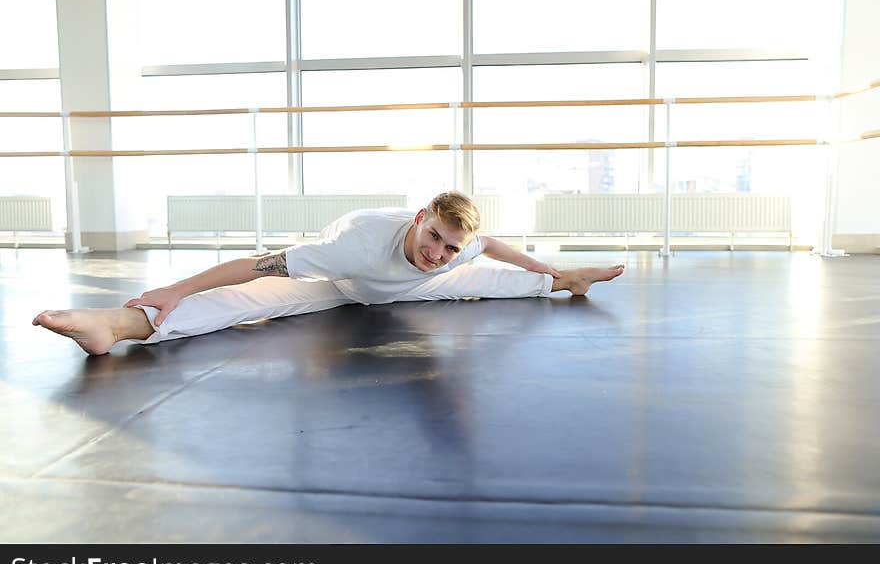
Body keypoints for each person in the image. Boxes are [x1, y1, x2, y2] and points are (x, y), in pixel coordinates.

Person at [33, 191, 625, 355]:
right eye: (432, 238)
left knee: (502, 281)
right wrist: (175, 287)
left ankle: (567, 278)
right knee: (243, 301)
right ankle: (118, 323)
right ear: (419, 218)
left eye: (448, 246)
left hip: (407, 290)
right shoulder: (353, 247)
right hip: (342, 282)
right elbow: (251, 264)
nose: (436, 251)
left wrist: (542, 266)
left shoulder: (457, 251)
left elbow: (492, 245)